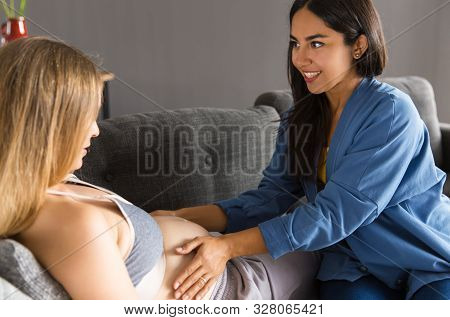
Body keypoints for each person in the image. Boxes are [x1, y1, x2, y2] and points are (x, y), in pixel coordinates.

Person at [152, 0, 450, 300]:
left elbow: (335, 215)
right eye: (295, 43)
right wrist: (176, 216)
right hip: (352, 263)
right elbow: (268, 199)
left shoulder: (391, 112)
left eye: (317, 43)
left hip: (425, 255)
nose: (300, 58)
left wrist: (227, 247)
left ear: (358, 46)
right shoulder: (300, 117)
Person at [0, 36, 320, 300]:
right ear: (47, 126)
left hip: (226, 261)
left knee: (324, 218)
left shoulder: (53, 182)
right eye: (85, 119)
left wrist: (178, 219)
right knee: (330, 241)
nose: (95, 131)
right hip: (235, 291)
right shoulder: (71, 225)